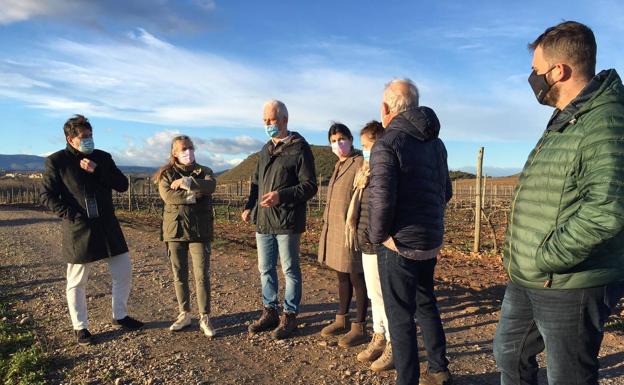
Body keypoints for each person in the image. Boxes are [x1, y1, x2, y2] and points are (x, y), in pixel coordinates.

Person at [493, 21, 624, 385]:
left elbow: (608, 209)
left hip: (570, 280)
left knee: (568, 375)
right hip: (531, 276)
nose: (533, 79)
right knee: (509, 353)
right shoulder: (567, 118)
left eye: (536, 71)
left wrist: (547, 256)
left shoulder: (607, 120)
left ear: (559, 71)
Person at [369, 79, 453, 385]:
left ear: (386, 108)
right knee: (426, 302)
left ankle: (407, 380)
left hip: (398, 245)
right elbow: (446, 191)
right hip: (429, 242)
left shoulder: (387, 142)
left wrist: (378, 236)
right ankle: (439, 368)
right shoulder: (437, 143)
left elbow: (381, 200)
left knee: (400, 316)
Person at [40, 115, 144, 346]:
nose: (89, 140)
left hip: (107, 225)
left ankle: (120, 315)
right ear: (70, 139)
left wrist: (97, 170)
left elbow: (122, 185)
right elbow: (46, 196)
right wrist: (72, 214)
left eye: (91, 135)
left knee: (123, 271)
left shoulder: (102, 158)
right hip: (79, 228)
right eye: (83, 137)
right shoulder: (56, 161)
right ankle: (81, 327)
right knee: (77, 281)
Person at [242, 99, 318, 340]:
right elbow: (255, 181)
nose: (267, 124)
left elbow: (310, 186)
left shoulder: (300, 148)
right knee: (265, 268)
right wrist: (249, 205)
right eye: (264, 120)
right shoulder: (265, 149)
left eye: (272, 120)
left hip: (287, 220)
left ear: (285, 120)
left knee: (289, 269)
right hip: (264, 220)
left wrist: (281, 196)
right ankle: (270, 310)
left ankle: (290, 315)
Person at [154, 135, 217, 337]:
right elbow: (169, 197)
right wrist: (194, 194)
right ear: (174, 152)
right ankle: (184, 314)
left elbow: (210, 187)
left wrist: (187, 181)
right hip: (175, 230)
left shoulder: (205, 171)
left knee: (202, 274)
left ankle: (204, 316)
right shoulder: (166, 174)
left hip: (200, 230)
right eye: (183, 149)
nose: (187, 151)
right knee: (179, 274)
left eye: (190, 147)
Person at [345, 120, 394, 371]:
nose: (364, 150)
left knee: (386, 296)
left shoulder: (384, 170)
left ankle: (393, 344)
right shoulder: (365, 171)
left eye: (367, 145)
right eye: (362, 146)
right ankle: (379, 336)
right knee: (375, 295)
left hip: (380, 241)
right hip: (366, 239)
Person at [317, 123, 367, 347]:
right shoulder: (339, 164)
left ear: (350, 139)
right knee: (341, 276)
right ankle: (342, 319)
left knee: (357, 277)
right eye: (333, 140)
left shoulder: (359, 162)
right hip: (335, 228)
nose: (338, 144)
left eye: (342, 138)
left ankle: (360, 325)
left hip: (350, 230)